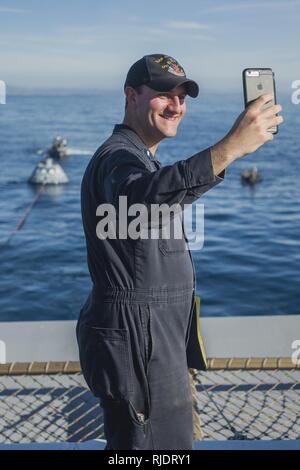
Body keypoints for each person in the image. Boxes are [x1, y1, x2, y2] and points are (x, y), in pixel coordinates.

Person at [76, 53, 283, 450]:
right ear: (130, 95)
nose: (176, 106)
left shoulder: (141, 159)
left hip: (155, 342)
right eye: (163, 95)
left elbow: (158, 196)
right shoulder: (117, 157)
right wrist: (229, 149)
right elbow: (140, 200)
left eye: (182, 97)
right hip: (139, 346)